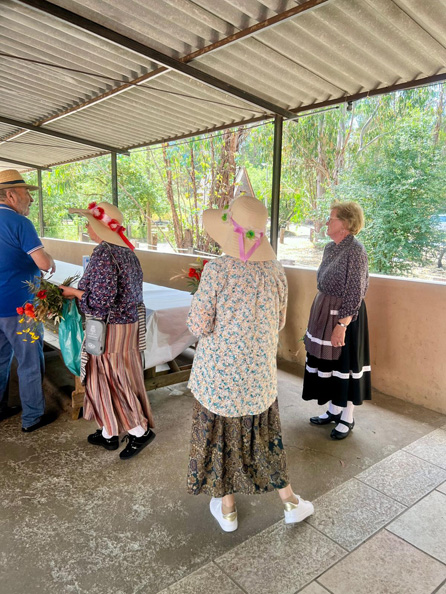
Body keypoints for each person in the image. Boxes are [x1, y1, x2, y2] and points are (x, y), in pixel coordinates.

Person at [186, 194, 314, 532]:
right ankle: (290, 502)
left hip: (219, 377)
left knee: (219, 437)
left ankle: (228, 510)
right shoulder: (275, 270)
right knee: (265, 437)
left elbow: (198, 325)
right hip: (258, 376)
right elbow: (280, 321)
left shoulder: (218, 270)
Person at [60, 201, 155, 460]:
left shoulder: (104, 253)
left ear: (100, 227)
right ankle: (109, 432)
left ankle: (139, 431)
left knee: (109, 379)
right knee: (118, 376)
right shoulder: (127, 252)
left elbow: (101, 301)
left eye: (89, 223)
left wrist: (74, 293)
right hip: (127, 325)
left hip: (110, 328)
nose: (87, 228)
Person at [302, 200, 371, 439]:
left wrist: (342, 325)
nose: (326, 222)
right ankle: (333, 410)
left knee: (344, 364)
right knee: (328, 364)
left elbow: (355, 291)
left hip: (346, 316)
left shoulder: (356, 251)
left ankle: (347, 417)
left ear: (346, 223)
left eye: (331, 218)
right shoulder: (330, 248)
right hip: (324, 311)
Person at [0, 169, 57, 432]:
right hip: (21, 308)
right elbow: (43, 263)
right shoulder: (20, 223)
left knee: (1, 360)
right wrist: (50, 259)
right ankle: (32, 417)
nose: (31, 199)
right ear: (11, 195)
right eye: (27, 193)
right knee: (29, 362)